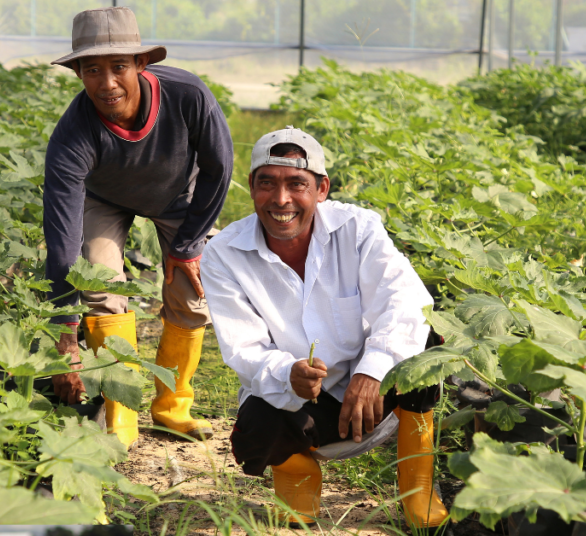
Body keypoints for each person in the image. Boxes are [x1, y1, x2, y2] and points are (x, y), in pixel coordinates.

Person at [199, 127, 448, 528]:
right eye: (267, 184)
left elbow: (406, 301)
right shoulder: (224, 254)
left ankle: (418, 489)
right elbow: (243, 347)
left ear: (322, 189)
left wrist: (373, 369)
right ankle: (299, 485)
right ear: (251, 187)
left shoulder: (359, 229)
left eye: (297, 184)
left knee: (424, 341)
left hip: (378, 394)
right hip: (307, 401)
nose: (281, 200)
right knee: (255, 428)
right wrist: (288, 373)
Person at [43, 6, 234, 448]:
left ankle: (172, 408)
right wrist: (66, 328)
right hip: (102, 198)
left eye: (118, 67)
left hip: (176, 194)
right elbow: (63, 236)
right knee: (100, 286)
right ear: (77, 73)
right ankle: (120, 413)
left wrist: (187, 247)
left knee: (193, 289)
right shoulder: (73, 136)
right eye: (92, 70)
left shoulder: (188, 95)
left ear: (141, 64)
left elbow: (219, 169)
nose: (107, 83)